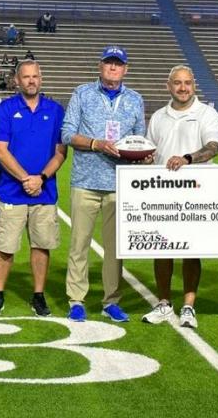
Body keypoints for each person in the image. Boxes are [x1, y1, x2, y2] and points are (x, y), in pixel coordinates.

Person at [61, 46, 145, 323]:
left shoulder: (135, 99)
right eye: (109, 63)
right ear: (100, 66)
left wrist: (142, 153)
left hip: (119, 183)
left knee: (115, 248)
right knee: (79, 244)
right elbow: (67, 134)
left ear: (125, 69)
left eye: (118, 64)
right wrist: (96, 143)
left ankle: (111, 301)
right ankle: (76, 299)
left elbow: (139, 139)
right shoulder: (82, 93)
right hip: (85, 181)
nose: (113, 67)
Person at [140, 65, 218, 328]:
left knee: (191, 250)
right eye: (177, 83)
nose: (183, 88)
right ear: (169, 86)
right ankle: (164, 303)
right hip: (162, 193)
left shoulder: (207, 113)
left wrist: (187, 158)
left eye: (187, 82)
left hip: (195, 193)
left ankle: (189, 305)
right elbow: (151, 151)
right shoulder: (158, 116)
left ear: (194, 85)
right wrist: (146, 158)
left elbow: (213, 147)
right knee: (161, 249)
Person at [0, 60, 67, 317]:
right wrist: (25, 179)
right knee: (5, 246)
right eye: (26, 77)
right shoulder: (6, 108)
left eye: (35, 76)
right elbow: (0, 150)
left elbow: (61, 152)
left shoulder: (55, 110)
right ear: (17, 81)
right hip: (11, 191)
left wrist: (40, 178)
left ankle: (38, 295)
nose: (31, 81)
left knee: (41, 245)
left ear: (41, 79)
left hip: (44, 191)